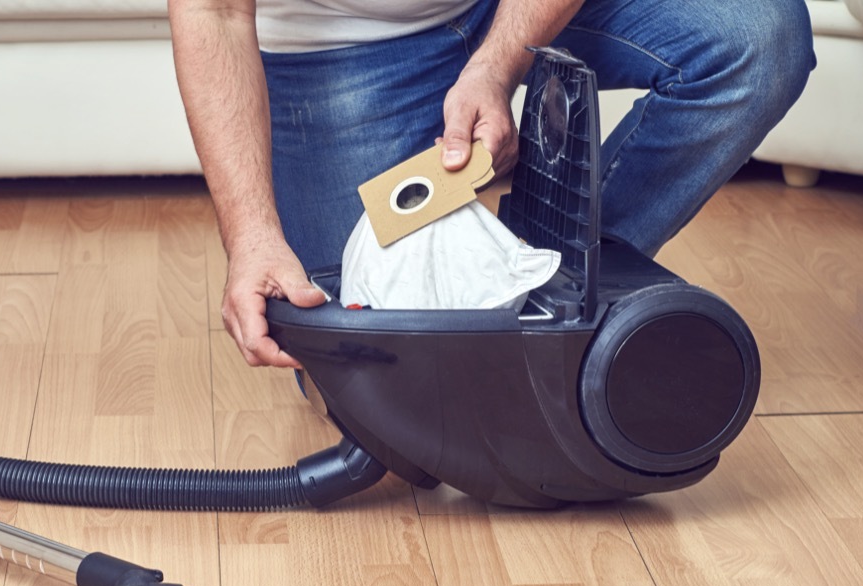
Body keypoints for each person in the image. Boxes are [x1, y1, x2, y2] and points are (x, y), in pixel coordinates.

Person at [168, 0, 815, 368]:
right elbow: (212, 10)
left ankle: (549, 301)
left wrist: (495, 70)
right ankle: (510, 313)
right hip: (341, 42)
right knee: (361, 367)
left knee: (754, 40)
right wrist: (251, 234)